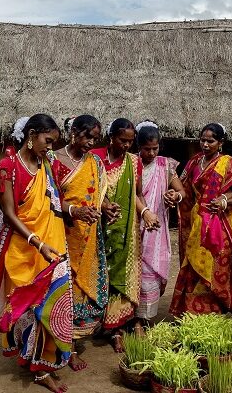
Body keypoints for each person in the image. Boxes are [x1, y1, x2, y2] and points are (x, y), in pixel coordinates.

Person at [0, 114, 73, 393]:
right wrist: (37, 243)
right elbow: (10, 214)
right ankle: (36, 368)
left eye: (54, 143)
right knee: (30, 309)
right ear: (32, 134)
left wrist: (79, 210)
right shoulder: (7, 167)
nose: (50, 147)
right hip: (24, 250)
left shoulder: (48, 164)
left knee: (50, 307)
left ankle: (43, 361)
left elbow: (62, 199)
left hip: (54, 246)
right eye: (47, 141)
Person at [90, 118, 159, 351]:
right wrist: (104, 204)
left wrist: (147, 212)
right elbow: (89, 192)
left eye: (131, 142)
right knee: (100, 276)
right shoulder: (95, 158)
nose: (127, 146)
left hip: (126, 232)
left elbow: (137, 195)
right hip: (97, 229)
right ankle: (98, 324)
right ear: (111, 138)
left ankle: (116, 328)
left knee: (121, 276)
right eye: (123, 141)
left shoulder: (134, 162)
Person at [169, 123, 232, 316]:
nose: (205, 144)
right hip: (198, 221)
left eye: (210, 141)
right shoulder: (194, 162)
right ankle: (193, 311)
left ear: (220, 142)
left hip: (222, 224)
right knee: (193, 265)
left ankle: (214, 311)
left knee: (217, 266)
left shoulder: (229, 163)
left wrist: (224, 200)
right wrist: (175, 196)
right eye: (202, 140)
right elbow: (185, 191)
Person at [54, 115, 108, 370]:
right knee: (64, 291)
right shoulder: (53, 160)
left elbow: (99, 196)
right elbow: (48, 200)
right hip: (62, 237)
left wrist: (108, 207)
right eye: (87, 136)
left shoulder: (95, 162)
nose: (90, 142)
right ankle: (66, 348)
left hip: (90, 238)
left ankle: (73, 342)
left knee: (82, 293)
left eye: (95, 138)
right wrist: (74, 211)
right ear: (73, 132)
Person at [134, 121, 186, 325]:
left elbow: (181, 191)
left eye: (155, 149)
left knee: (149, 274)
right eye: (147, 149)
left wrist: (175, 197)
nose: (152, 153)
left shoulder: (165, 166)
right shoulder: (131, 164)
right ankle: (131, 319)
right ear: (138, 147)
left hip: (157, 229)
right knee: (134, 271)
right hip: (134, 225)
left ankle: (144, 318)